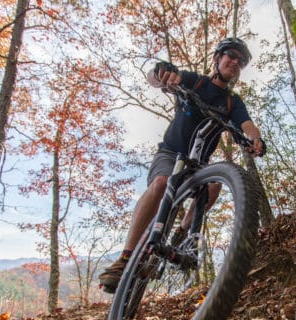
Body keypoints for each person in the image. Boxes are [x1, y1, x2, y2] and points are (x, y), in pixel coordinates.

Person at [99, 37, 266, 293]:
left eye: (240, 62)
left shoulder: (233, 102)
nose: (235, 63)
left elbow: (246, 125)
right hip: (170, 154)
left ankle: (181, 235)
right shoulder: (195, 81)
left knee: (213, 186)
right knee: (161, 183)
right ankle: (124, 259)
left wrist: (254, 140)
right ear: (217, 58)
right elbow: (156, 79)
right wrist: (161, 73)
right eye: (231, 56)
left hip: (198, 164)